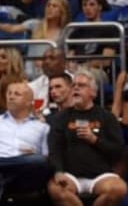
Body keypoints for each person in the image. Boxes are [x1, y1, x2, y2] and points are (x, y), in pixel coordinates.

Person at [47, 70, 127, 206]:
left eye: (82, 85)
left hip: (100, 175)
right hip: (70, 174)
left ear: (93, 93)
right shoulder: (61, 118)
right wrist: (58, 171)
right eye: (74, 85)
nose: (76, 88)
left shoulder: (107, 117)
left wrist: (94, 140)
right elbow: (55, 149)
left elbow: (118, 150)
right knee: (56, 190)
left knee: (119, 188)